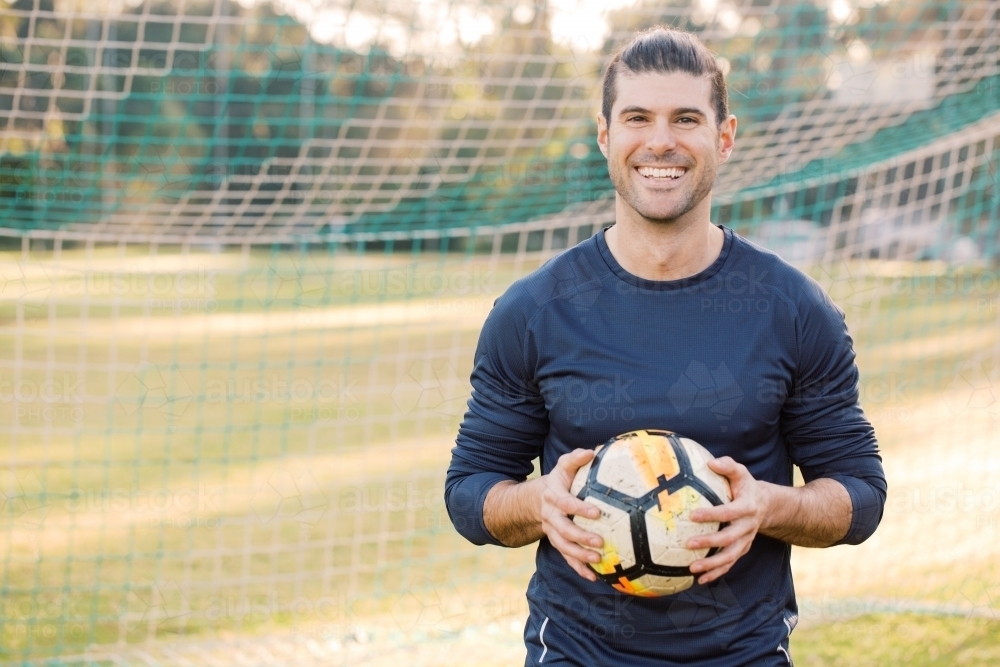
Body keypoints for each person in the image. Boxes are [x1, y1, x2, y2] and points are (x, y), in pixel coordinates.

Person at [445, 26, 886, 666]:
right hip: (575, 651)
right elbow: (469, 492)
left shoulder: (794, 310)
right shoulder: (534, 311)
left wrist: (768, 505)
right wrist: (536, 503)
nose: (660, 141)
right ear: (605, 135)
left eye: (686, 118)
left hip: (744, 653)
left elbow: (861, 496)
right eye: (637, 118)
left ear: (724, 136)